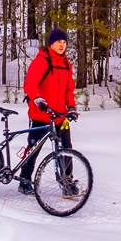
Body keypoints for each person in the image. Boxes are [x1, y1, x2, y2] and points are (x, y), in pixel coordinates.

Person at [19, 28, 79, 196]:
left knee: (66, 149)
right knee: (34, 148)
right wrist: (38, 99)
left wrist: (71, 107)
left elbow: (69, 90)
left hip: (60, 116)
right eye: (58, 42)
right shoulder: (42, 61)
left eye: (64, 42)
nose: (62, 45)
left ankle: (67, 183)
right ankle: (24, 180)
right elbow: (30, 84)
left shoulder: (66, 64)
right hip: (41, 114)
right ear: (51, 43)